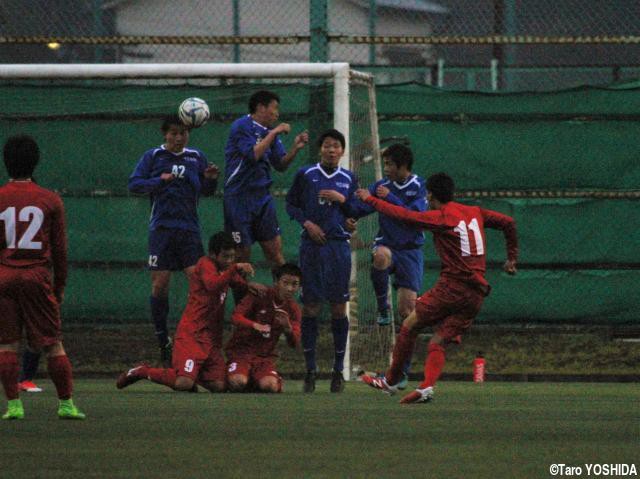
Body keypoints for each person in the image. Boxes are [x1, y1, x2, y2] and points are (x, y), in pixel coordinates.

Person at [356, 172, 518, 404]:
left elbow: (405, 215)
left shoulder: (442, 216)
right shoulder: (475, 212)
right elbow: (508, 223)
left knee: (410, 325)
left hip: (453, 287)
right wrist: (512, 258)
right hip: (477, 294)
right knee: (438, 341)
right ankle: (426, 388)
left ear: (430, 195)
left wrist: (370, 199)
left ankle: (390, 381)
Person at [0, 135, 85, 420]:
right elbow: (60, 250)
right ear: (36, 162)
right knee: (52, 343)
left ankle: (13, 406)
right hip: (37, 277)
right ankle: (66, 404)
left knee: (7, 343)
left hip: (4, 277)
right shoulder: (50, 200)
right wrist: (59, 287)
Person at [116, 232, 262, 393]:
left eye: (232, 257)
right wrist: (235, 267)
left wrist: (250, 286)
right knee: (183, 383)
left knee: (219, 386)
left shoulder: (226, 270)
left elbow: (237, 283)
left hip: (211, 340)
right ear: (213, 254)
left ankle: (191, 373)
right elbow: (213, 285)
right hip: (191, 335)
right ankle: (142, 371)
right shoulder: (205, 264)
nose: (229, 261)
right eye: (225, 257)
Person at [128, 114, 219, 365]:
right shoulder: (153, 156)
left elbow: (206, 192)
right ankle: (163, 340)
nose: (179, 138)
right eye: (174, 133)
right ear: (165, 134)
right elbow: (134, 184)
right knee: (159, 286)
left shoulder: (196, 157)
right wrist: (159, 180)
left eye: (184, 133)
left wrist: (210, 178)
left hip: (189, 230)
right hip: (162, 230)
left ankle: (195, 337)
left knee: (199, 283)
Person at [285, 129, 358, 393]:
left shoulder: (349, 178)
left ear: (342, 151)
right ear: (320, 149)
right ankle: (310, 370)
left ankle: (338, 371)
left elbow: (354, 212)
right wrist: (307, 223)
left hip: (338, 248)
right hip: (311, 248)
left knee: (339, 308)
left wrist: (349, 219)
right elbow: (291, 205)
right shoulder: (305, 175)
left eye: (336, 146)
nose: (331, 150)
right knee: (311, 307)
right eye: (327, 145)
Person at [351, 144, 427, 387]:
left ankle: (401, 373)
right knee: (380, 256)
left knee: (408, 315)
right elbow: (363, 206)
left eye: (389, 164)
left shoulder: (419, 186)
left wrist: (387, 198)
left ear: (402, 166)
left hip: (411, 252)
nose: (385, 169)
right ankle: (383, 307)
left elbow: (413, 217)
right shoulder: (381, 185)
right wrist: (348, 212)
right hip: (388, 246)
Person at [223, 90, 309, 269]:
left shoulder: (271, 133)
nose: (277, 113)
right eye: (274, 108)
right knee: (242, 257)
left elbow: (280, 164)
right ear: (261, 107)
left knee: (275, 254)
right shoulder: (242, 126)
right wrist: (275, 131)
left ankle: (283, 296)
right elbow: (253, 154)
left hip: (262, 199)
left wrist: (295, 147)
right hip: (239, 199)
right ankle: (242, 297)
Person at [225, 263, 302, 393]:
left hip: (264, 359)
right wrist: (255, 325)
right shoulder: (260, 294)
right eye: (285, 283)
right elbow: (236, 317)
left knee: (269, 386)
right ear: (276, 282)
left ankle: (262, 380)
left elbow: (294, 343)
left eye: (294, 284)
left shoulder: (293, 309)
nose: (289, 288)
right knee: (238, 382)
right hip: (241, 354)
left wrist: (288, 329)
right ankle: (241, 376)